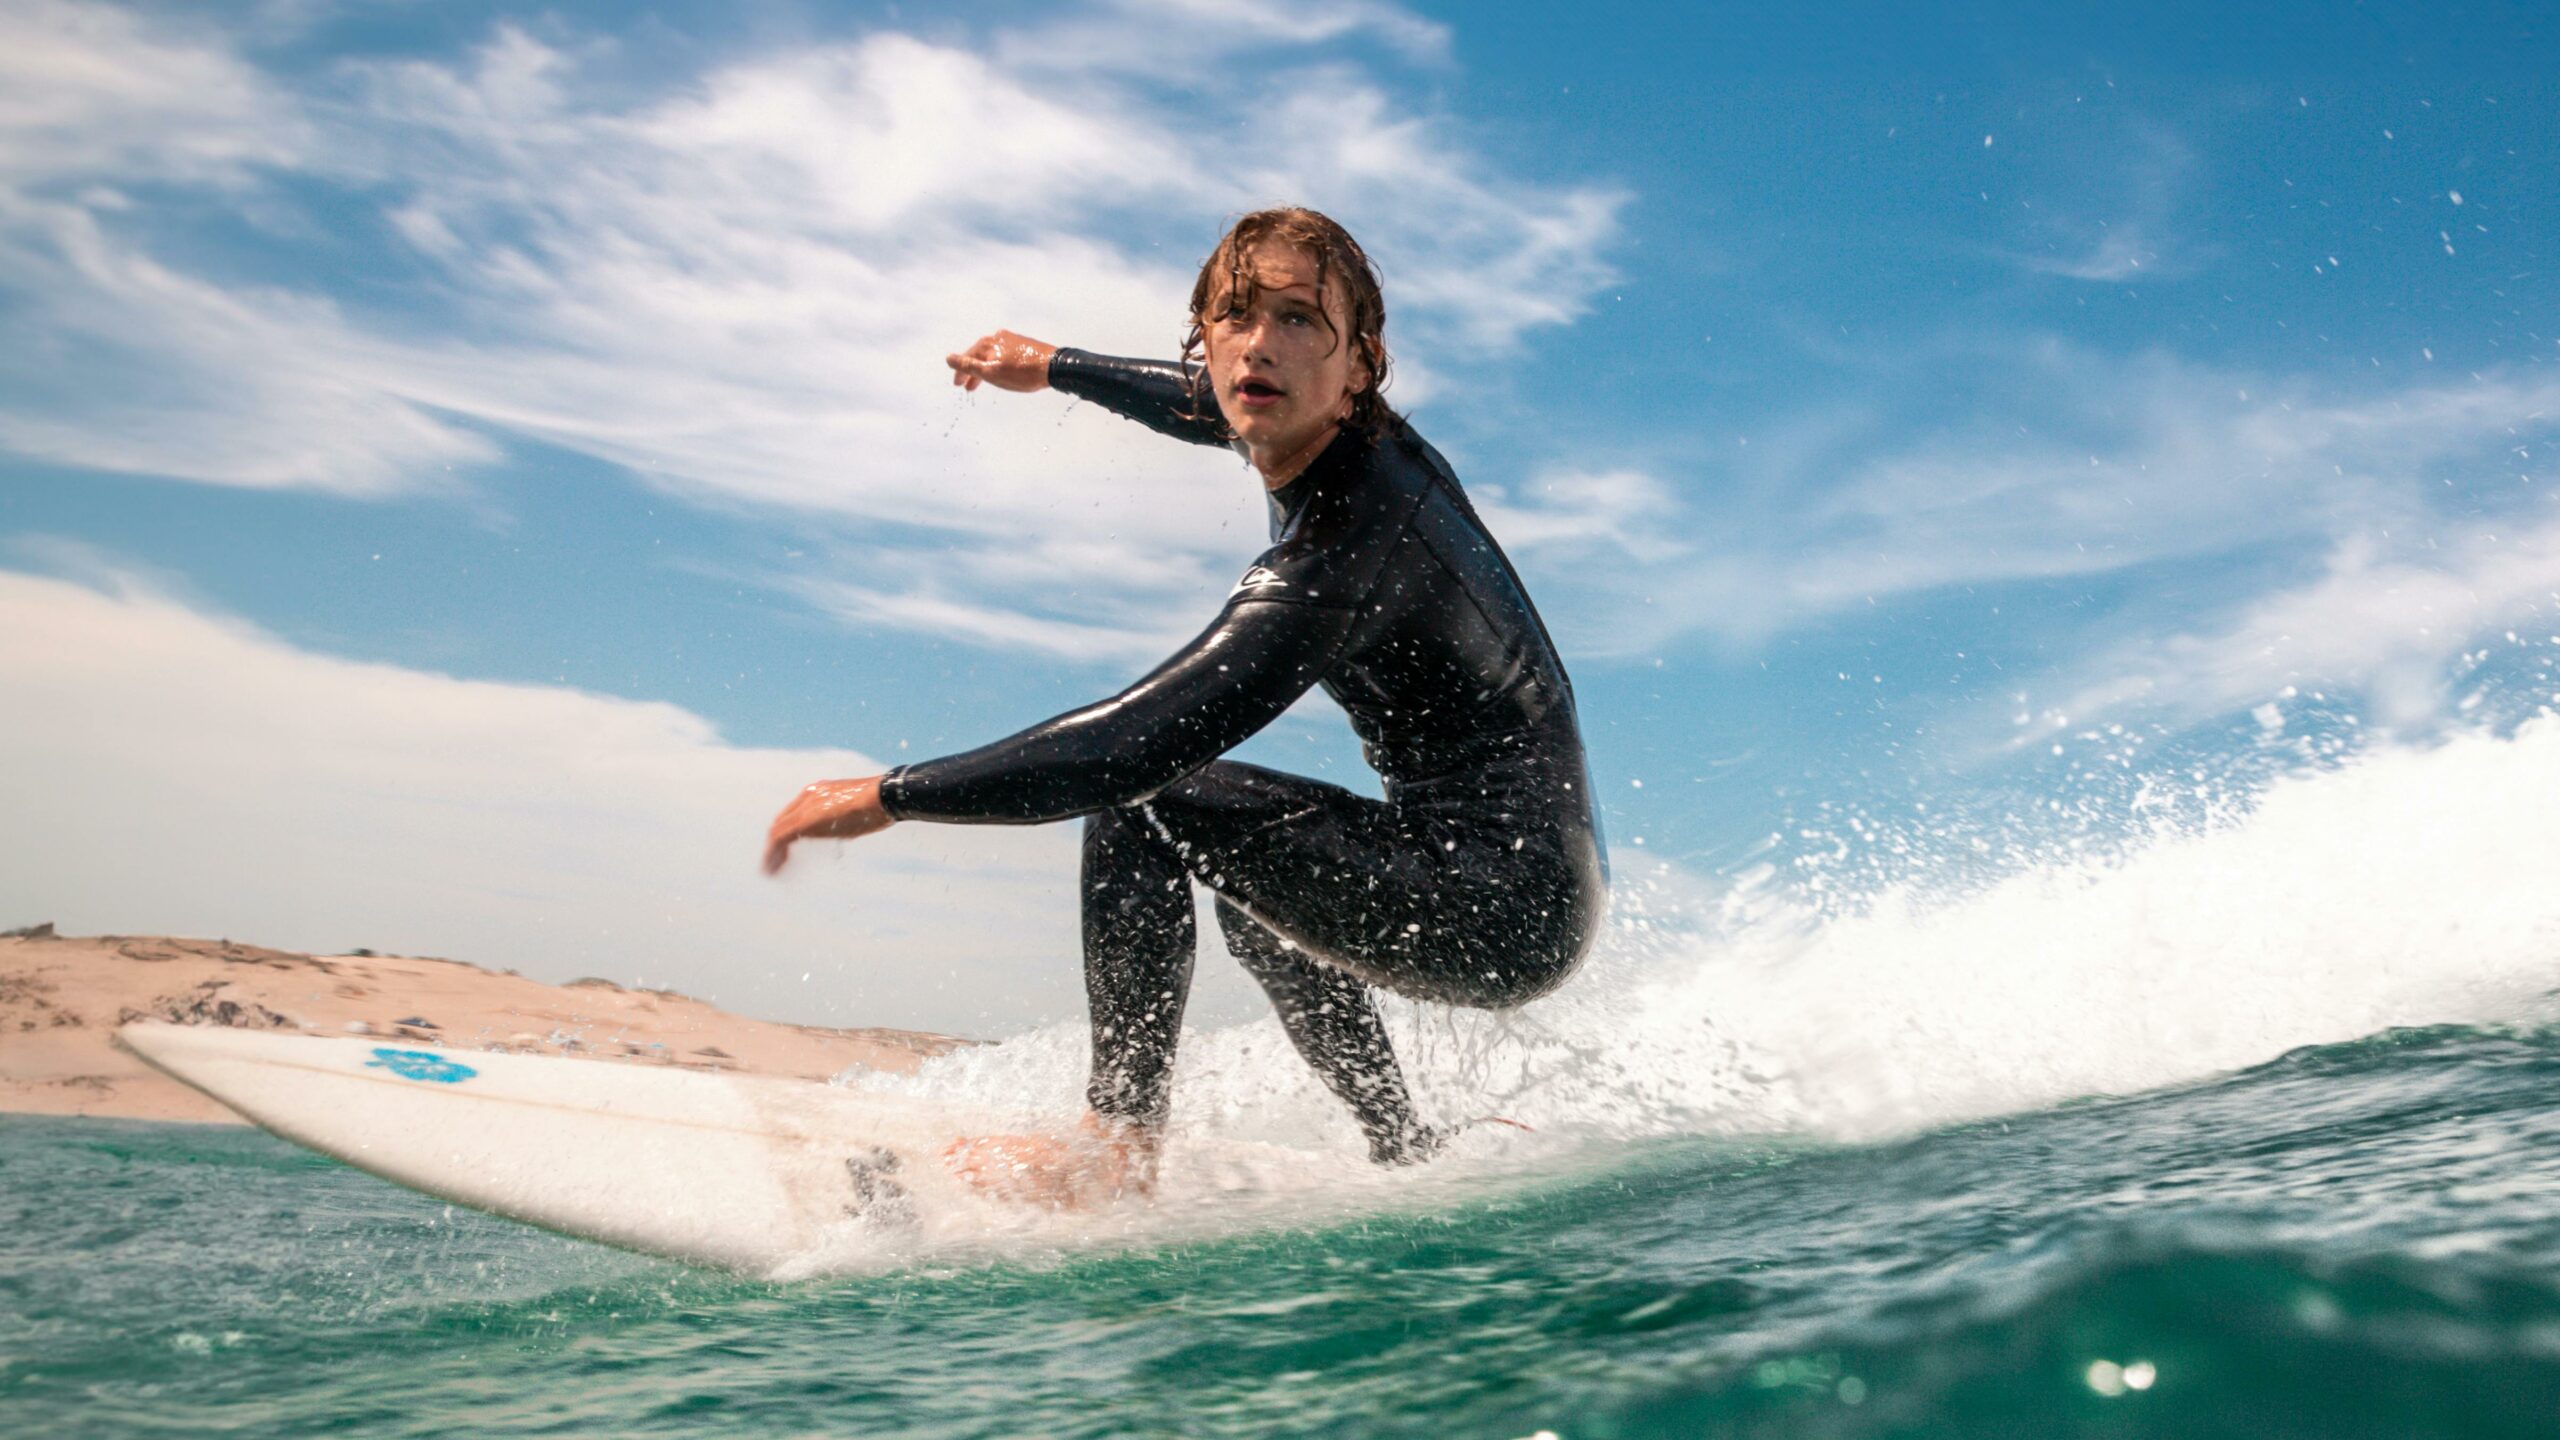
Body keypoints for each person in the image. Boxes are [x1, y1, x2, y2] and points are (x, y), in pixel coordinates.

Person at [763, 208, 1607, 1205]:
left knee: (1148, 795)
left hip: (1498, 907)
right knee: (1265, 909)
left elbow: (1125, 748)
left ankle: (1114, 1151)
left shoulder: (1342, 554)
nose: (1260, 344)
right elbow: (1212, 401)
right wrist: (1054, 364)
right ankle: (1405, 1144)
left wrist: (891, 793)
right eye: (1235, 315)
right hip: (1529, 880)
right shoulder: (1339, 432)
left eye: (1300, 319)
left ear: (1360, 365)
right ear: (1205, 335)